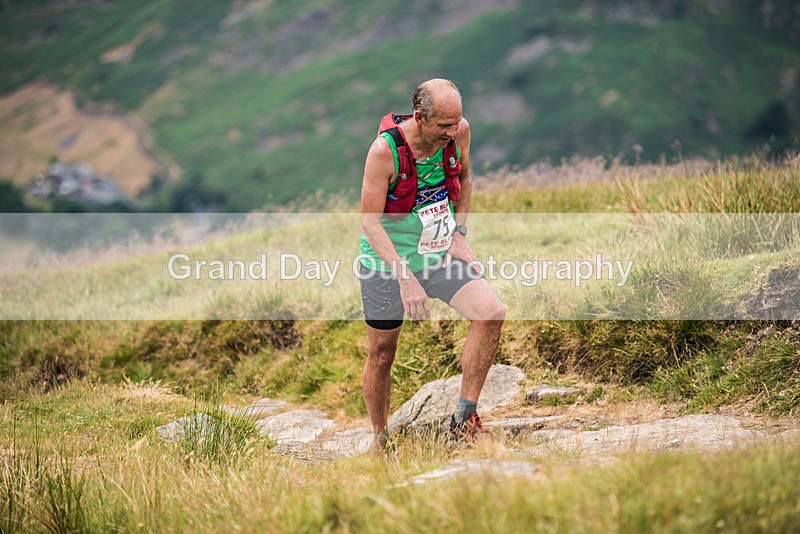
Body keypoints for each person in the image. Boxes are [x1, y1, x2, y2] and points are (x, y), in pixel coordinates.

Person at [358, 78, 507, 452]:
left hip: (439, 252)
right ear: (420, 117)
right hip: (387, 262)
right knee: (382, 355)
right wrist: (405, 278)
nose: (452, 132)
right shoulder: (384, 152)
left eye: (456, 123)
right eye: (444, 125)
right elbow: (369, 224)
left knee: (491, 312)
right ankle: (380, 440)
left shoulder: (459, 132)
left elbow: (466, 178)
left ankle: (464, 420)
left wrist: (459, 232)